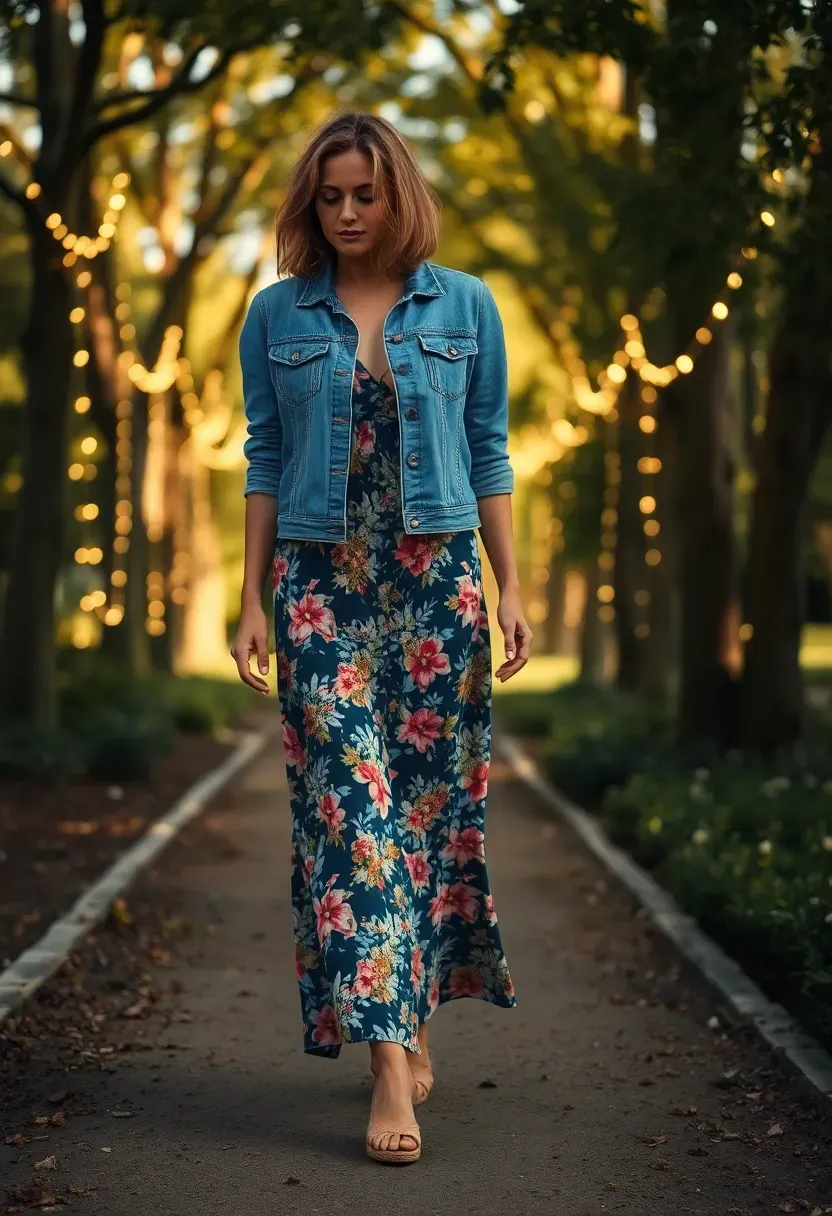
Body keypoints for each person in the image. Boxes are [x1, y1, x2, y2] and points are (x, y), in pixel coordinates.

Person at [230, 110, 533, 1165]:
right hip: (320, 596)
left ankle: (405, 1019)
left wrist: (510, 585)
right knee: (351, 817)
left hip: (435, 589)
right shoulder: (276, 314)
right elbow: (265, 457)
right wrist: (247, 594)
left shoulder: (467, 306)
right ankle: (388, 1066)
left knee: (420, 820)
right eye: (330, 196)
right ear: (310, 203)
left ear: (397, 193)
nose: (348, 212)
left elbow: (487, 447)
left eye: (364, 193)